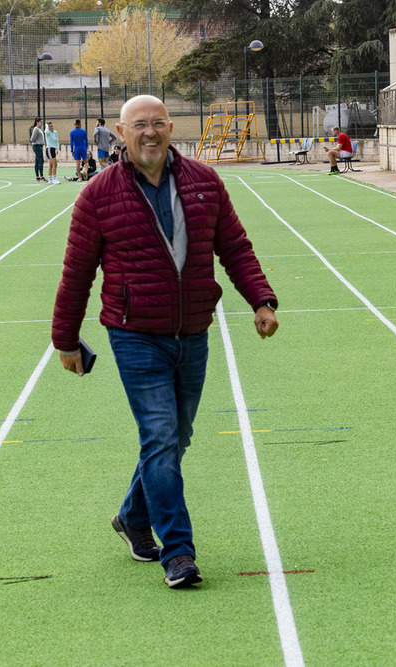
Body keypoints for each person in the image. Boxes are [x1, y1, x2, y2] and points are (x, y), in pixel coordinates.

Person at [51, 94, 279, 589]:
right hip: (134, 337)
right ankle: (178, 552)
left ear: (171, 128)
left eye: (157, 124)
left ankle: (133, 517)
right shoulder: (97, 195)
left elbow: (234, 246)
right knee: (160, 436)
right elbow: (77, 272)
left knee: (177, 438)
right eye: (139, 126)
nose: (149, 133)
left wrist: (260, 299)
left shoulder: (205, 182)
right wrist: (65, 339)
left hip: (193, 332)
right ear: (120, 132)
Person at [44, 121, 60, 185]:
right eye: (50, 126)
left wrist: (57, 149)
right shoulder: (47, 132)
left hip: (53, 149)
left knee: (51, 165)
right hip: (49, 149)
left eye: (52, 126)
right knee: (55, 164)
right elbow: (46, 131)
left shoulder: (55, 132)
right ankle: (54, 178)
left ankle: (50, 179)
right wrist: (46, 126)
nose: (51, 127)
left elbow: (56, 141)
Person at [30, 117, 45, 183]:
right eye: (40, 122)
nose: (42, 124)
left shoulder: (38, 129)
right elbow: (32, 139)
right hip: (37, 146)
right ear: (37, 122)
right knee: (40, 160)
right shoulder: (36, 129)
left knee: (37, 161)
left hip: (39, 146)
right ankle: (41, 176)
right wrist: (37, 142)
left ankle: (38, 176)